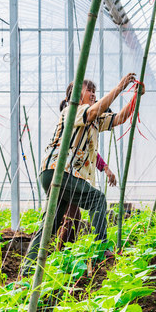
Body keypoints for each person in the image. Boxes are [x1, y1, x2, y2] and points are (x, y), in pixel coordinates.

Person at [23, 73, 144, 267]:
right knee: (97, 199)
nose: (93, 94)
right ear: (76, 96)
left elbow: (120, 118)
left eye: (95, 91)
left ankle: (28, 268)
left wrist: (136, 97)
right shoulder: (72, 111)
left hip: (58, 173)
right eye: (89, 90)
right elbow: (93, 112)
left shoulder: (95, 120)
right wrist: (120, 87)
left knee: (50, 225)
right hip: (57, 170)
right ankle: (101, 248)